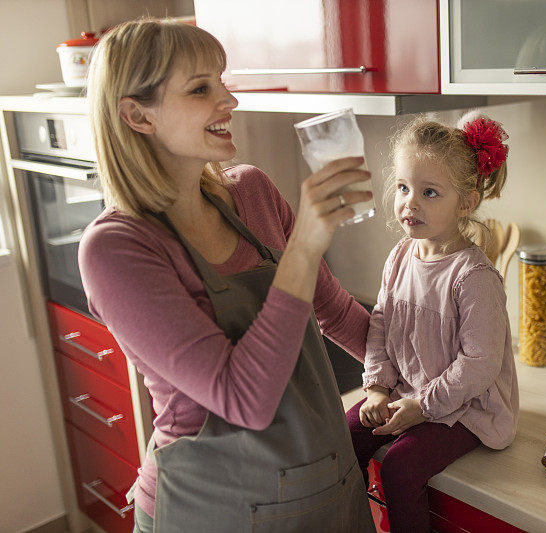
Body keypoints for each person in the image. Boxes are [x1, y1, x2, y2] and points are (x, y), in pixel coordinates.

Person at [78, 19, 376, 532]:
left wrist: (442, 373)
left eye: (222, 80)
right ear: (137, 115)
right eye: (201, 88)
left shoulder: (253, 192)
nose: (229, 100)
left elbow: (339, 314)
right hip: (213, 511)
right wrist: (305, 244)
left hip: (326, 491)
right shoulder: (117, 249)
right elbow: (244, 400)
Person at [346, 113, 520, 532]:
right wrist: (376, 389)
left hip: (467, 408)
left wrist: (420, 408)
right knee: (343, 436)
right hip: (409, 391)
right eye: (404, 188)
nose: (410, 202)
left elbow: (478, 364)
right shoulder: (401, 256)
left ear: (466, 201)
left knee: (400, 468)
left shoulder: (473, 276)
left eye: (429, 192)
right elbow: (381, 325)